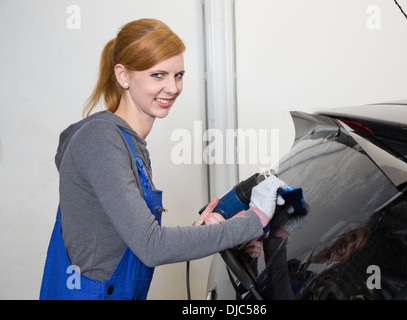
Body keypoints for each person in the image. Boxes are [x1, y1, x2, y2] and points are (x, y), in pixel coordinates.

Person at [39, 18, 289, 300]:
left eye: (179, 75)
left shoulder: (130, 144)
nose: (172, 88)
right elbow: (151, 246)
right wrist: (254, 220)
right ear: (123, 75)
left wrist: (205, 231)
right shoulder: (101, 140)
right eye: (158, 75)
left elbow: (128, 237)